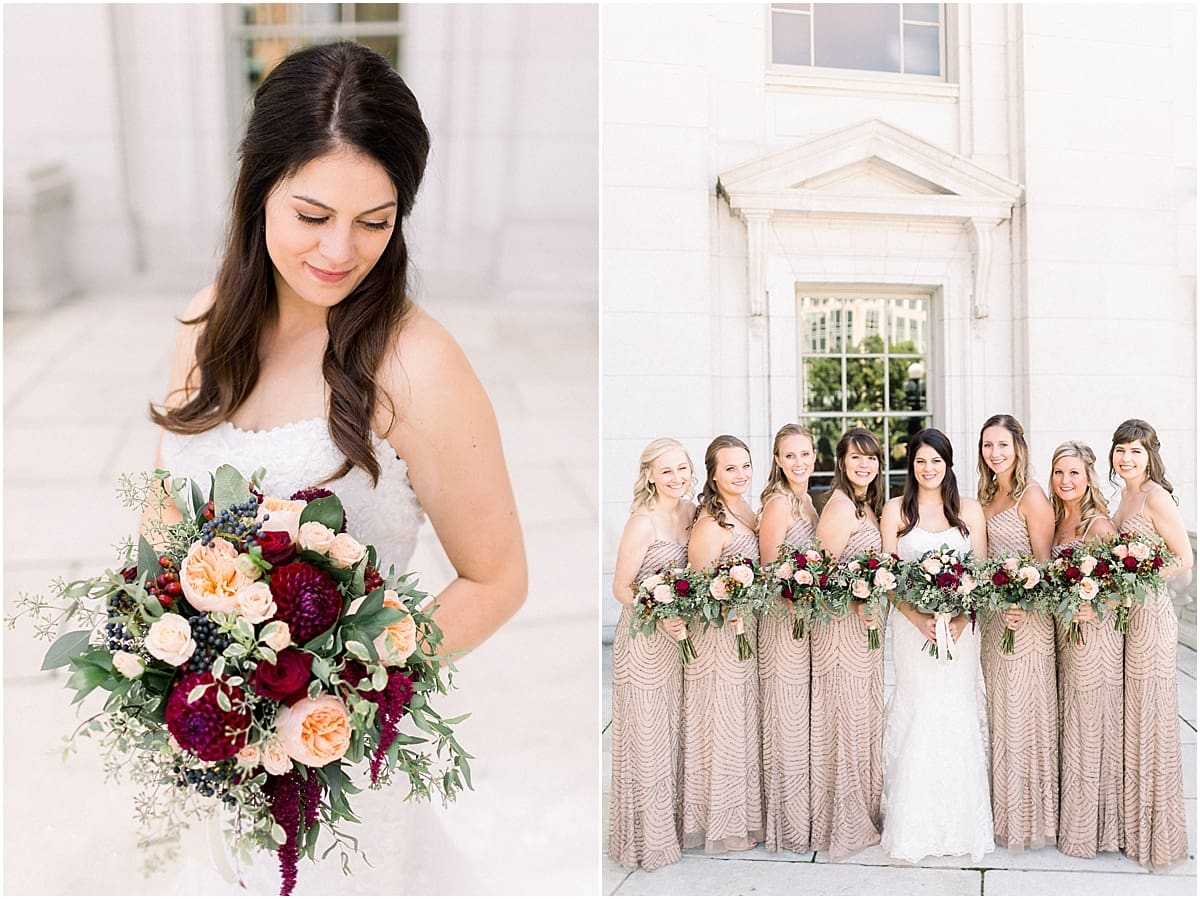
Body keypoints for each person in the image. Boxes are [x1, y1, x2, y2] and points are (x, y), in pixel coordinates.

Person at [150, 42, 526, 891]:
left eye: (376, 221)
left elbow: (497, 577)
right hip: (209, 751)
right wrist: (172, 660)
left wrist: (341, 692)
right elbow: (163, 524)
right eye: (312, 215)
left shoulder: (417, 364)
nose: (340, 252)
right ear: (259, 189)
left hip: (339, 773)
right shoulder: (206, 321)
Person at [879, 427, 993, 863]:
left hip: (961, 633)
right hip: (913, 631)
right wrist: (918, 618)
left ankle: (962, 822)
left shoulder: (969, 510)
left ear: (948, 465)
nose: (928, 469)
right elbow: (888, 579)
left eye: (936, 461)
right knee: (920, 708)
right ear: (912, 466)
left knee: (956, 709)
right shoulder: (895, 510)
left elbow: (979, 573)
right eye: (921, 461)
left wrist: (962, 618)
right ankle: (914, 822)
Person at [608, 438, 696, 870]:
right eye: (667, 472)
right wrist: (659, 613)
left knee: (675, 734)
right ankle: (646, 841)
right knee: (647, 737)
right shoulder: (642, 523)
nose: (677, 478)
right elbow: (621, 588)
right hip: (644, 640)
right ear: (649, 476)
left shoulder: (692, 513)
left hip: (680, 641)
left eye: (682, 469)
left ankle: (674, 828)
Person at [1108, 419, 1191, 871]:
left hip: (1149, 614)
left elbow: (1183, 559)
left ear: (1150, 455)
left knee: (1150, 716)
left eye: (1135, 452)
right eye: (1121, 450)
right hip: (1123, 618)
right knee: (1130, 716)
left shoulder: (1156, 497)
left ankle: (1157, 836)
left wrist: (1134, 579)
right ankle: (1130, 825)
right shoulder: (1124, 496)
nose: (1127, 459)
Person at [975, 414, 1057, 851]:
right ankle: (1002, 811)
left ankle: (1030, 819)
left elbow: (1044, 565)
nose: (995, 453)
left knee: (1025, 715)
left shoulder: (1032, 495)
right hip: (994, 622)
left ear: (1018, 447)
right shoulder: (985, 497)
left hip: (1027, 623)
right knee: (1002, 716)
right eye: (988, 445)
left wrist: (1021, 606)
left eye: (1002, 445)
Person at [681, 435, 763, 852]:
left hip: (745, 633)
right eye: (730, 468)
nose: (740, 474)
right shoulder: (712, 523)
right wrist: (729, 603)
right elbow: (699, 588)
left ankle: (742, 813)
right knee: (723, 726)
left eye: (745, 465)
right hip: (719, 638)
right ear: (712, 474)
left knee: (740, 724)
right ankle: (724, 827)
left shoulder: (746, 510)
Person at [810, 427, 887, 859]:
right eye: (855, 458)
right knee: (843, 720)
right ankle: (842, 820)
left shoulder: (865, 507)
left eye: (871, 458)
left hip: (864, 633)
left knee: (861, 718)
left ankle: (862, 810)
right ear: (841, 463)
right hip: (841, 630)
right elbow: (819, 577)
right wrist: (857, 597)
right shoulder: (839, 507)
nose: (864, 465)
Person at [1048, 441, 1121, 860]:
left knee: (1091, 728)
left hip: (1095, 641)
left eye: (1073, 473)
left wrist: (1093, 607)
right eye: (1059, 472)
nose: (1065, 480)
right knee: (1073, 726)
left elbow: (1118, 590)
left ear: (1089, 476)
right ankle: (1073, 817)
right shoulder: (1060, 522)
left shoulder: (1099, 526)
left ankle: (1095, 828)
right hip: (1064, 635)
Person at [757, 423, 820, 853]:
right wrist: (792, 597)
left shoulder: (808, 503)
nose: (799, 463)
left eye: (805, 454)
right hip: (782, 625)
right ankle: (788, 825)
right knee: (787, 721)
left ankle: (805, 814)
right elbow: (766, 570)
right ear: (778, 460)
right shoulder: (779, 504)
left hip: (806, 626)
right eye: (789, 455)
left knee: (800, 722)